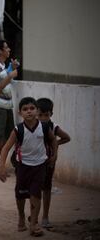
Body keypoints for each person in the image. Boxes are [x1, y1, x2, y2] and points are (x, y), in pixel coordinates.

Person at [0, 97, 57, 237]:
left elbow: (53, 139)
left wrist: (54, 156)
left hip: (40, 166)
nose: (29, 111)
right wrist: (2, 167)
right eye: (25, 109)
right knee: (20, 195)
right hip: (23, 166)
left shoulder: (44, 127)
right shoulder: (18, 130)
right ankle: (21, 217)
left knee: (36, 194)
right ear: (20, 113)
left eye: (32, 108)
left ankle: (34, 223)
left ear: (37, 111)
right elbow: (5, 148)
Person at [37, 98, 71, 229]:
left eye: (46, 115)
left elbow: (67, 138)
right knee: (34, 188)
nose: (43, 118)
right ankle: (34, 215)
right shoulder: (31, 126)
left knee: (46, 188)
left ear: (51, 114)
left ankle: (45, 216)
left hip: (49, 161)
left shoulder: (53, 126)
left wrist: (55, 144)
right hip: (34, 162)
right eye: (40, 115)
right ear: (36, 113)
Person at [0, 40, 19, 177]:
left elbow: (4, 78)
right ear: (0, 51)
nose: (9, 49)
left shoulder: (2, 67)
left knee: (9, 138)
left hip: (7, 106)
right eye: (6, 47)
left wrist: (10, 68)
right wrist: (11, 75)